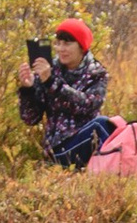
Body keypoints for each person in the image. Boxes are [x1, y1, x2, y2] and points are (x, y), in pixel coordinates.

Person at [19, 19, 109, 168]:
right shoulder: (48, 70)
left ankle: (122, 170)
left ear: (81, 46)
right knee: (102, 125)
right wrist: (28, 89)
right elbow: (30, 118)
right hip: (57, 149)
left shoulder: (97, 74)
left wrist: (51, 83)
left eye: (67, 44)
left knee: (108, 124)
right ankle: (122, 170)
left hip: (85, 140)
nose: (61, 49)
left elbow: (87, 106)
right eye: (58, 43)